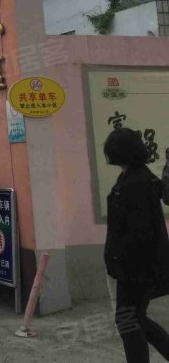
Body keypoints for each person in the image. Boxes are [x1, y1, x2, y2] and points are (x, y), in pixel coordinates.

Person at [104, 127, 169, 362]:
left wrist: (118, 256)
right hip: (136, 266)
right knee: (134, 318)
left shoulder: (136, 182)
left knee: (128, 319)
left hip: (137, 267)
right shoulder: (136, 176)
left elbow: (140, 231)